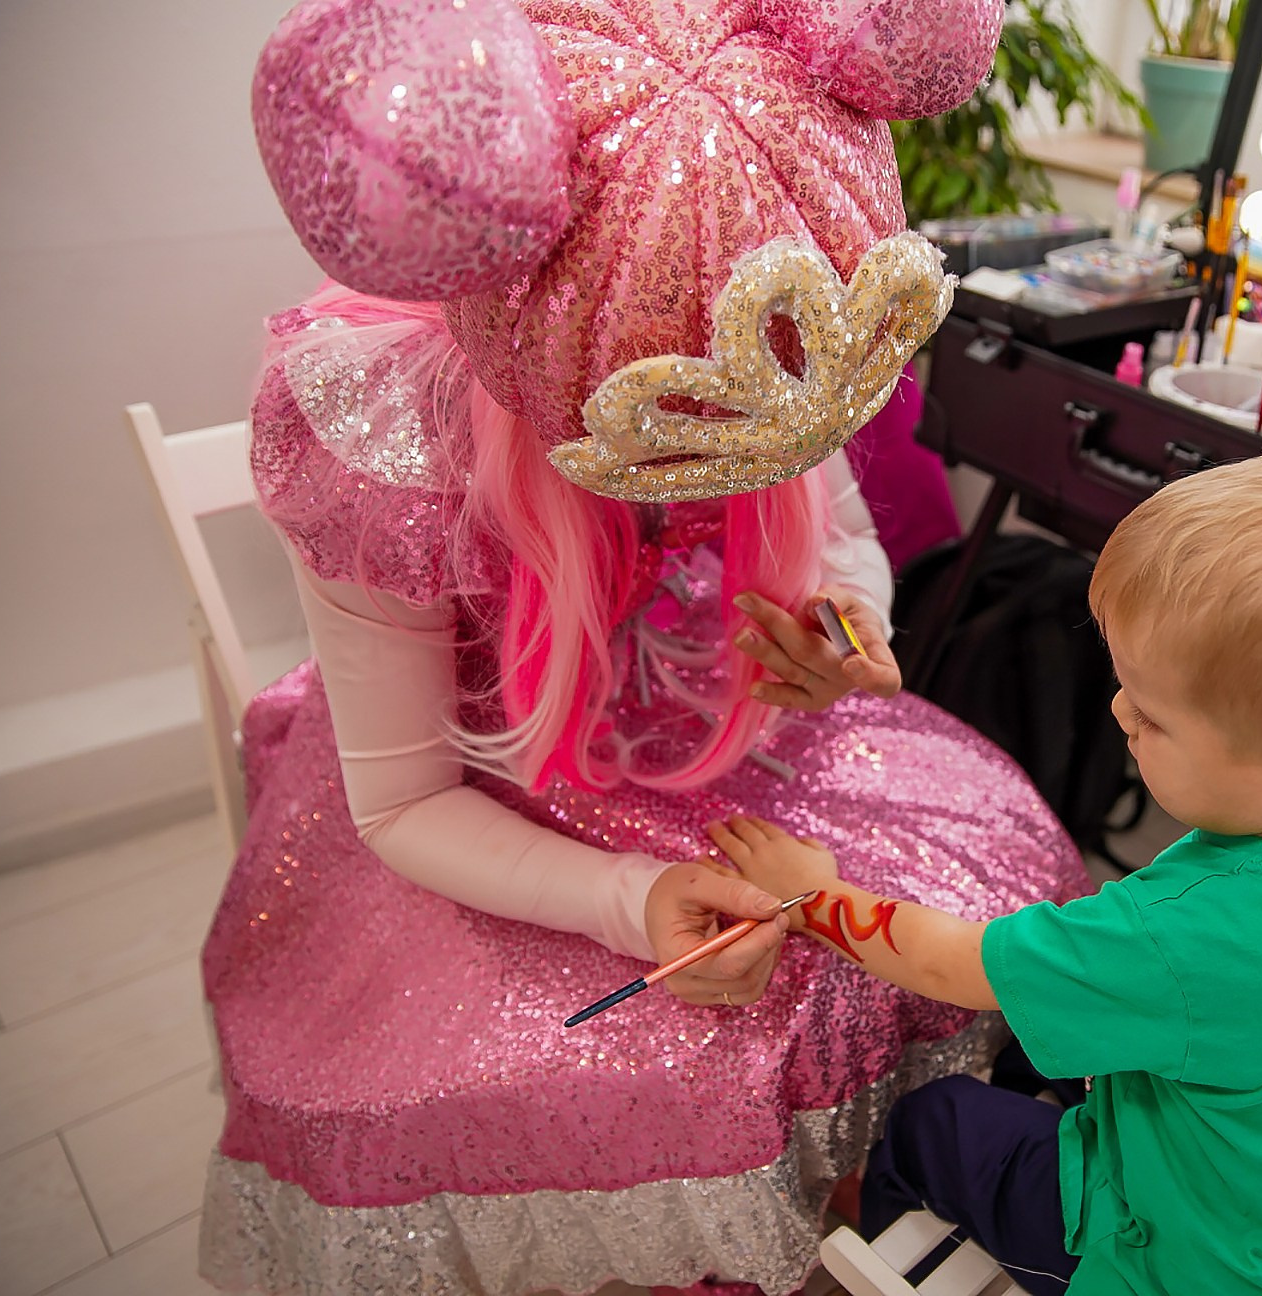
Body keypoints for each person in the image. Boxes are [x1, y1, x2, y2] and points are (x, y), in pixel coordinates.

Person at [202, 2, 1085, 1294]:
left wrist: (850, 628)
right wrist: (633, 906)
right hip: (484, 798)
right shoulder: (388, 441)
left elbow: (833, 526)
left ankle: (841, 1206)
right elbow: (401, 798)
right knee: (655, 1066)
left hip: (735, 743)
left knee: (974, 898)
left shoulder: (755, 272)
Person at [710, 446, 1262, 1294]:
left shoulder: (1187, 932)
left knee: (932, 1121)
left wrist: (815, 893)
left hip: (1177, 1261)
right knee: (1031, 1050)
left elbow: (958, 964)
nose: (1117, 711)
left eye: (1154, 715)